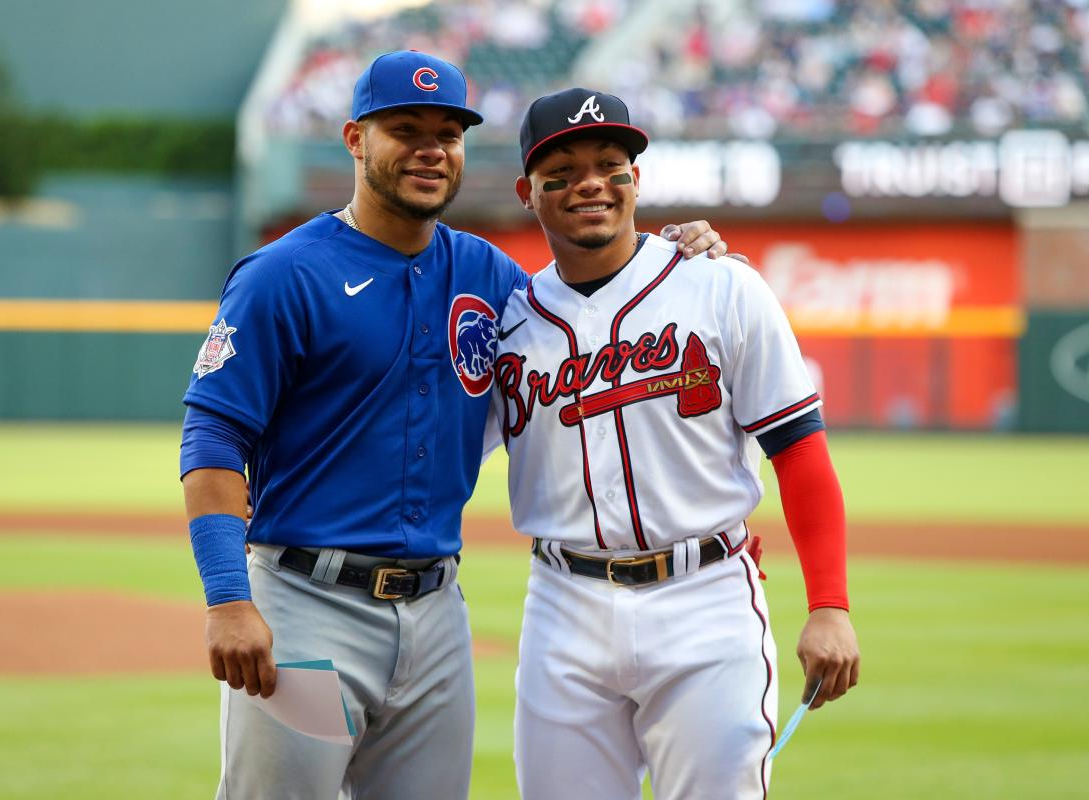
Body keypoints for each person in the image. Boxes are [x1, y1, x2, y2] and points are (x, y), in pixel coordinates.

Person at [179, 51, 731, 800]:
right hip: (309, 612)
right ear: (355, 139)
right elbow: (214, 441)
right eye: (404, 129)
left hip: (437, 619)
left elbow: (599, 326)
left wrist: (672, 257)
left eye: (449, 133)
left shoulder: (490, 276)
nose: (429, 149)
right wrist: (226, 598)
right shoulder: (283, 274)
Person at [488, 87, 860, 799]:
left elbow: (799, 450)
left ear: (636, 179)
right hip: (563, 607)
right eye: (561, 171)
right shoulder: (511, 319)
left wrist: (830, 604)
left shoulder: (718, 286)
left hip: (705, 601)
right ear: (527, 192)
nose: (590, 182)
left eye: (610, 163)